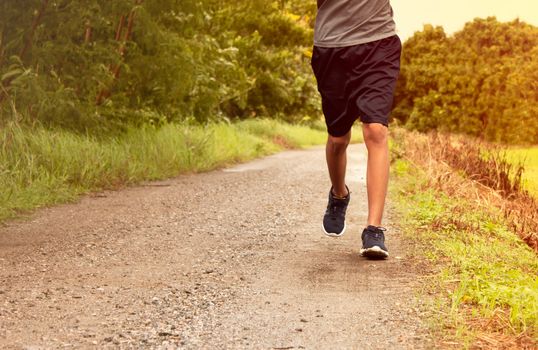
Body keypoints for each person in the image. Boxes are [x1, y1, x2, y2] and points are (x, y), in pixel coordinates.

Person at [311, 0, 401, 259]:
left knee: (376, 130)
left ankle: (374, 229)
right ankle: (339, 194)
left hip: (378, 43)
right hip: (332, 47)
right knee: (338, 139)